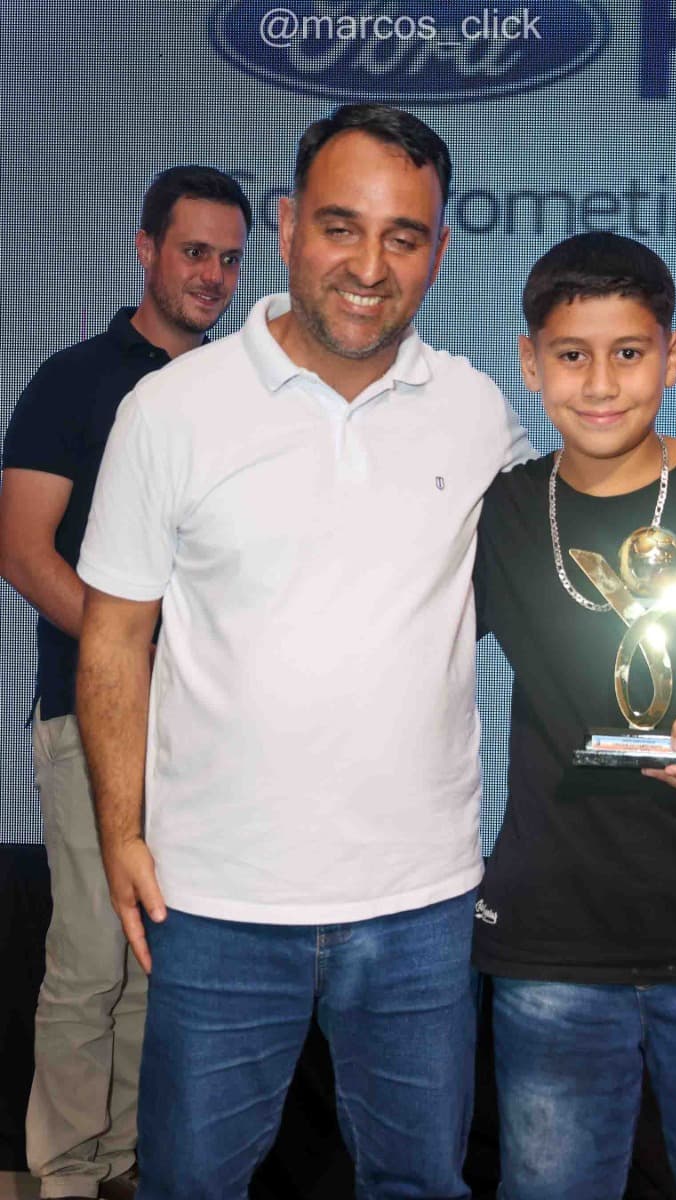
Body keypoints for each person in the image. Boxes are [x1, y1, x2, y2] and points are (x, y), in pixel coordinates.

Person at [73, 104, 531, 1200]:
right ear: (286, 227)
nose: (369, 267)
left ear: (439, 250)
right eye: (340, 227)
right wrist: (121, 832)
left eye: (402, 237)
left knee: (420, 1185)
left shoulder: (474, 410)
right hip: (216, 902)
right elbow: (114, 635)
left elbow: (541, 576)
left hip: (421, 902)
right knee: (190, 1186)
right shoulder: (168, 410)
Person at [473, 231, 676, 1200]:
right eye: (571, 355)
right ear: (531, 363)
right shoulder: (503, 514)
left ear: (672, 355)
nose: (601, 384)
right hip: (552, 948)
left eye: (628, 352)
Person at [0, 165, 252, 1200]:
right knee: (90, 961)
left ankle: (125, 1166)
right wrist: (133, 655)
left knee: (162, 964)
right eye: (194, 251)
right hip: (91, 715)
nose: (213, 276)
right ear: (145, 250)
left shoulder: (241, 392)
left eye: (229, 259)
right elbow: (23, 551)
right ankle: (67, 1174)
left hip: (203, 734)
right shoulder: (75, 379)